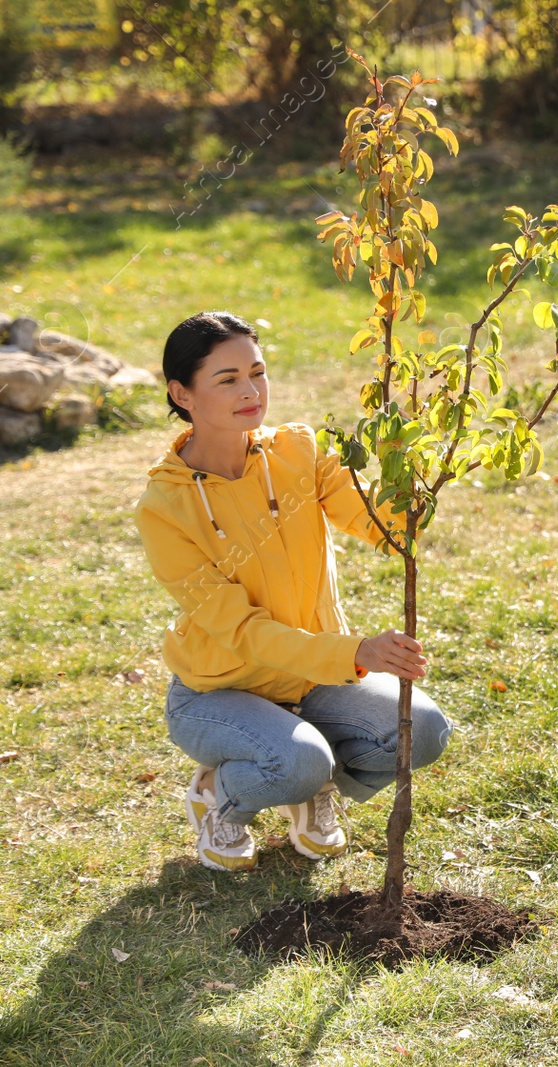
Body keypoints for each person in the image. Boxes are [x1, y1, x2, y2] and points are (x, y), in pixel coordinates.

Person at [133, 310, 450, 871]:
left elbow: (385, 527)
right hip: (220, 693)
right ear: (182, 393)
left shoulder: (298, 452)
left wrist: (410, 468)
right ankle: (222, 800)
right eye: (227, 380)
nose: (251, 391)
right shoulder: (165, 508)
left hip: (312, 676)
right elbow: (242, 631)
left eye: (257, 372)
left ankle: (310, 783)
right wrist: (355, 653)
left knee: (421, 732)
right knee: (297, 760)